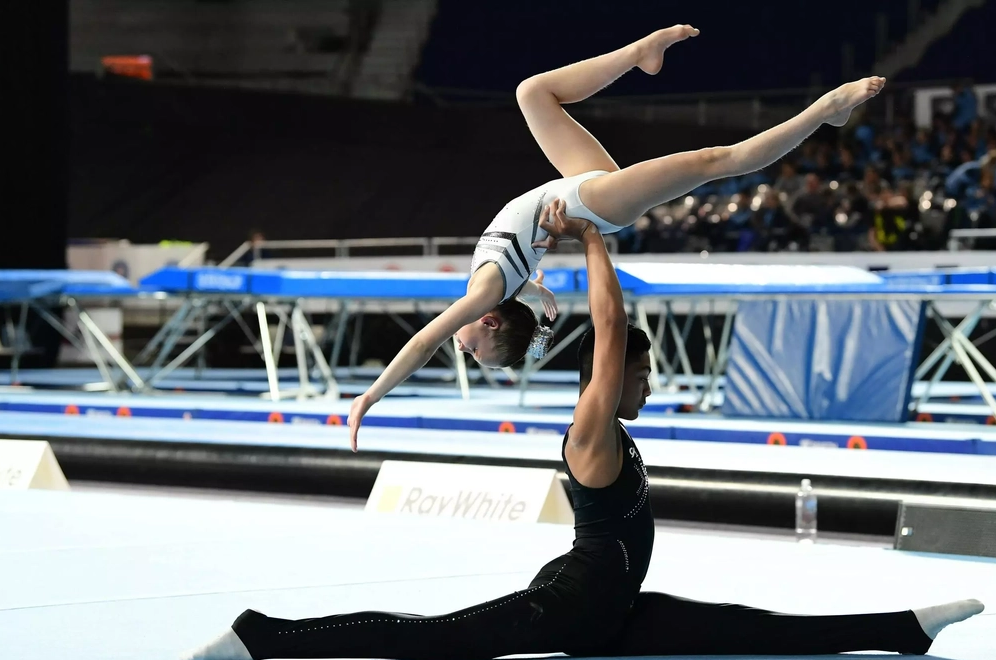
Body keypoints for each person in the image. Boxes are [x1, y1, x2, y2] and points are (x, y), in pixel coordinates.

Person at [184, 213, 983, 660]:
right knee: (421, 638)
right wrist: (596, 238)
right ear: (614, 379)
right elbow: (610, 329)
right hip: (563, 612)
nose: (648, 387)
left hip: (612, 604)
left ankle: (902, 631)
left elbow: (613, 342)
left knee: (754, 625)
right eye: (641, 376)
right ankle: (260, 634)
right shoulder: (592, 430)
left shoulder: (613, 425)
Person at [347, 24, 888, 451]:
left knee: (533, 93)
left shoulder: (495, 291)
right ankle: (825, 110)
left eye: (472, 353)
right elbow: (424, 342)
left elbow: (472, 307)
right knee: (716, 161)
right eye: (472, 350)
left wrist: (535, 291)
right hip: (592, 203)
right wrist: (372, 397)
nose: (458, 346)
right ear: (486, 320)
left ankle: (639, 54)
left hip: (577, 185)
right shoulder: (485, 296)